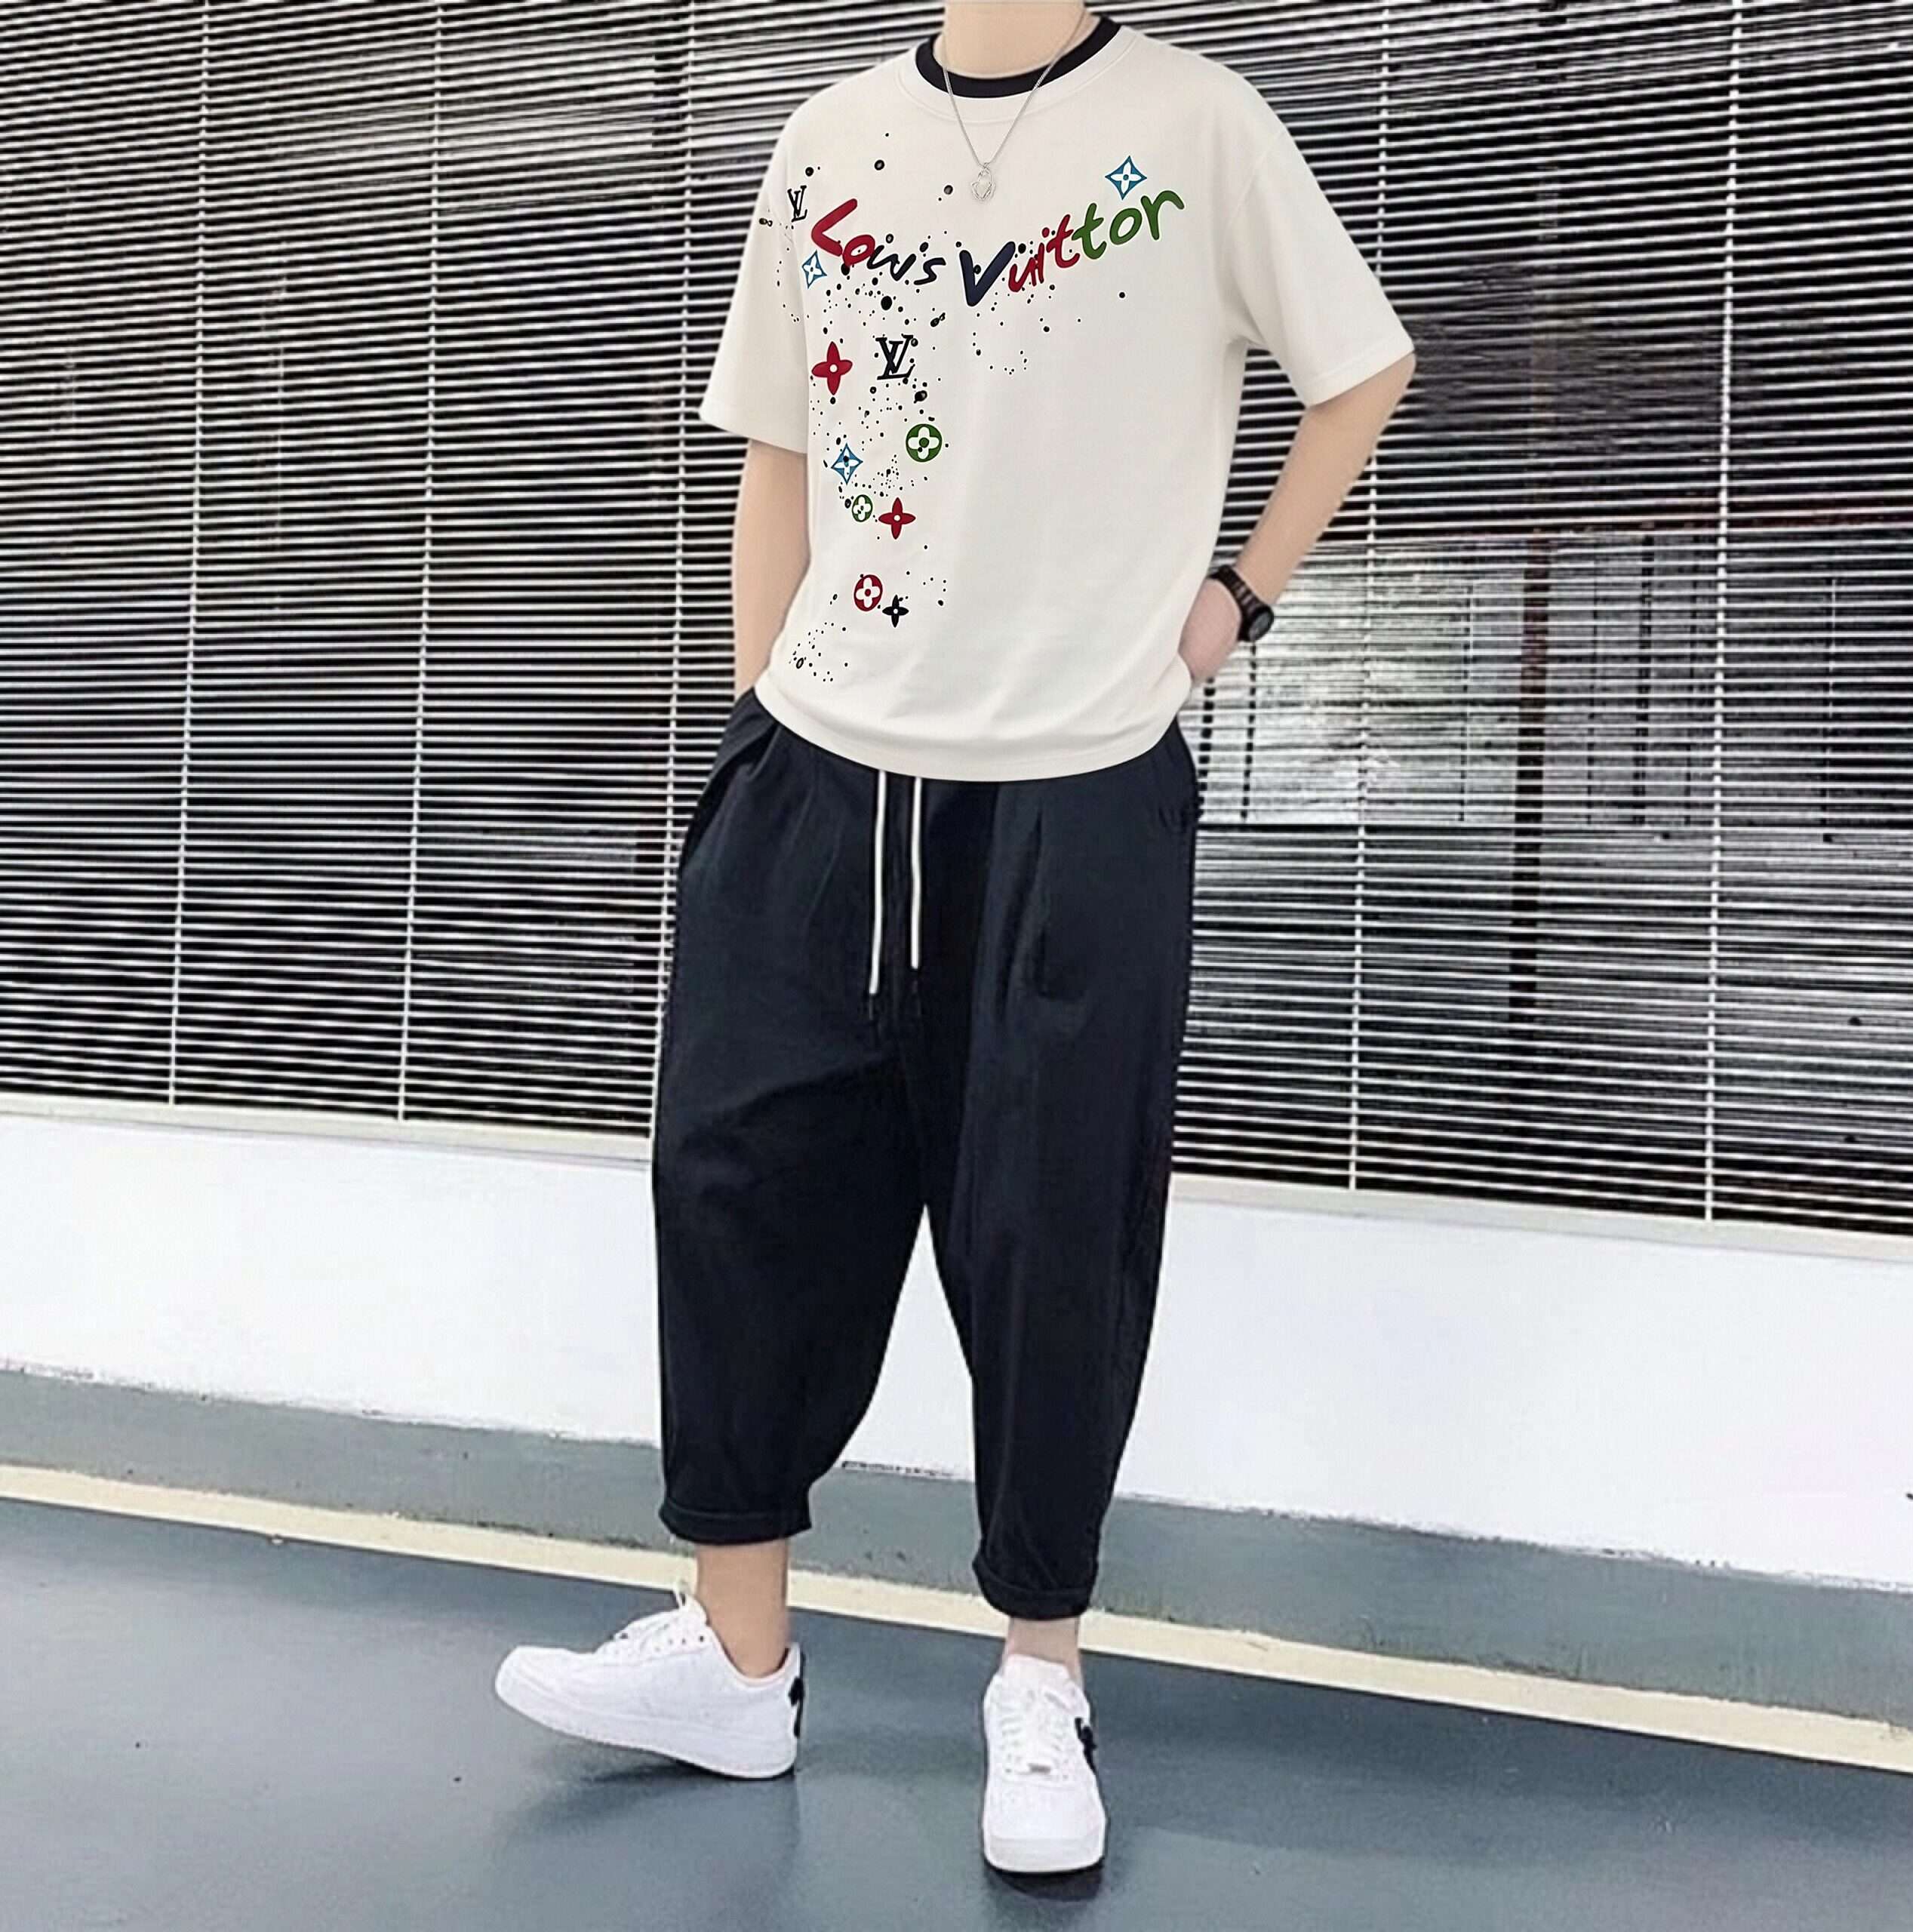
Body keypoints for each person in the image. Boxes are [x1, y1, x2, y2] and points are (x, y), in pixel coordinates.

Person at [496, 0, 1413, 1876]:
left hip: (1075, 782)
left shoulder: (1197, 123)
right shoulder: (828, 134)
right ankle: (734, 1656)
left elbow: (1358, 369)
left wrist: (1230, 603)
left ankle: (1038, 1676)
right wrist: (759, 719)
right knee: (740, 1190)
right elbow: (777, 445)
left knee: (1053, 1228)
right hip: (818, 767)